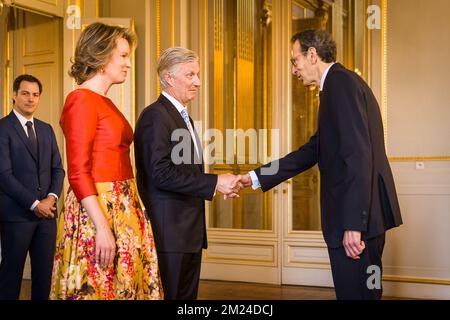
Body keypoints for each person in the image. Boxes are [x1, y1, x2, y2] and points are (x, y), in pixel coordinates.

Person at [239, 29, 403, 300]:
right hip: (364, 219)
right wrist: (255, 177)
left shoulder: (340, 86)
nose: (294, 70)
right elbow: (311, 151)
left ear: (312, 55)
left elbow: (357, 156)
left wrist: (353, 224)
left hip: (356, 224)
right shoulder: (340, 85)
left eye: (295, 60)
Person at [50, 22, 163, 300]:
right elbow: (77, 172)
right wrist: (102, 226)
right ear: (100, 56)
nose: (128, 64)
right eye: (123, 56)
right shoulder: (81, 100)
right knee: (97, 286)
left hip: (121, 204)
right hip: (98, 209)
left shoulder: (104, 101)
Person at [134, 47, 240, 300]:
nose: (198, 82)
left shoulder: (184, 118)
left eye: (198, 74)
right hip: (169, 233)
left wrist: (217, 184)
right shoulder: (155, 117)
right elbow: (160, 174)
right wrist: (214, 182)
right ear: (169, 78)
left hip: (187, 232)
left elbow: (183, 171)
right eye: (191, 74)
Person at [0, 74, 65, 300]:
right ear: (14, 95)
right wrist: (35, 203)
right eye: (25, 93)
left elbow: (58, 169)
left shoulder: (46, 129)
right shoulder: (3, 128)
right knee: (10, 277)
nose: (30, 99)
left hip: (47, 217)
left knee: (44, 279)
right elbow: (4, 176)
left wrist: (50, 199)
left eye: (35, 94)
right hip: (16, 217)